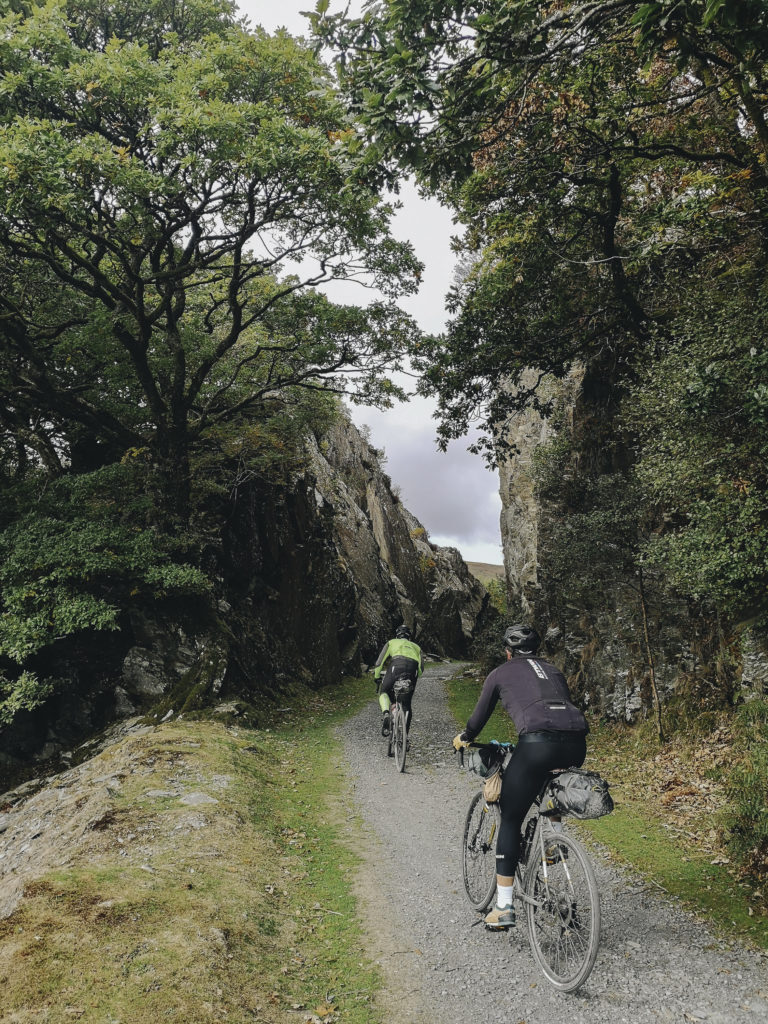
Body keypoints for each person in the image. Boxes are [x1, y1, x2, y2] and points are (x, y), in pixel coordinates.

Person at [453, 623, 588, 929]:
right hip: (576, 744)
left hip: (537, 745)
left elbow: (479, 717)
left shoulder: (500, 673)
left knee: (511, 817)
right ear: (537, 651)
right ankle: (554, 840)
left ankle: (503, 906)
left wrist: (465, 736)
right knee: (548, 781)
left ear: (508, 652)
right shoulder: (553, 671)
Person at [373, 624, 424, 740]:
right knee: (407, 704)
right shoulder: (417, 647)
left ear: (397, 635)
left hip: (396, 665)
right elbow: (421, 669)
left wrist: (377, 677)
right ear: (409, 636)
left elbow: (379, 662)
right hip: (412, 669)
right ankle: (404, 737)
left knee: (384, 691)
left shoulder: (391, 642)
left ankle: (386, 713)